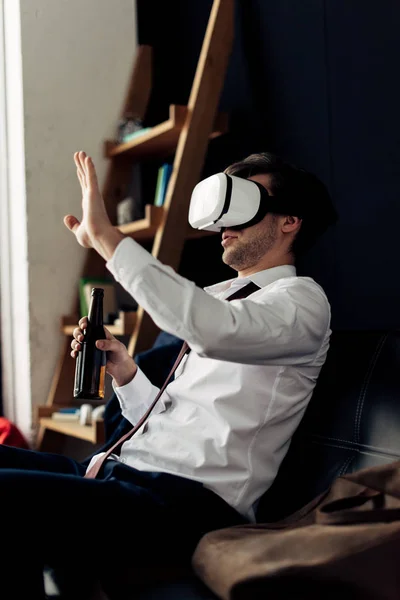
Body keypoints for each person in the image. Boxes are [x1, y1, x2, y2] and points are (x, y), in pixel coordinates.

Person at [0, 151, 337, 599]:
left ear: (289, 220)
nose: (224, 224)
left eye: (246, 204)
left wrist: (107, 239)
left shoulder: (301, 303)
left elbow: (211, 332)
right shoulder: (220, 297)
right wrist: (126, 373)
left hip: (185, 506)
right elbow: (177, 418)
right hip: (119, 475)